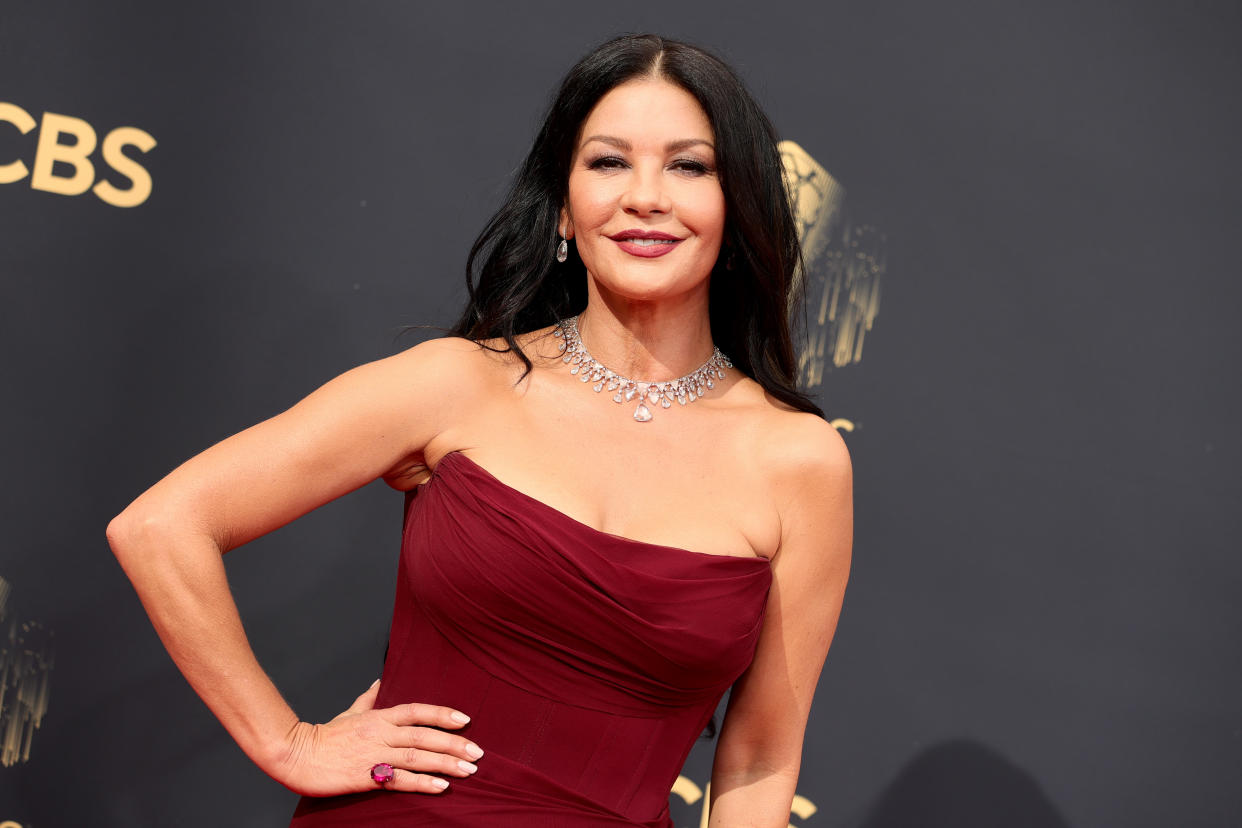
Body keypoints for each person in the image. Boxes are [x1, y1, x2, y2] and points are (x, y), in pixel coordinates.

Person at [107, 33, 852, 827]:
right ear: (564, 207)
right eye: (608, 162)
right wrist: (289, 744)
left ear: (736, 206)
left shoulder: (797, 460)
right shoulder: (455, 384)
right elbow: (160, 525)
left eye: (688, 166)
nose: (645, 196)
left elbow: (761, 758)